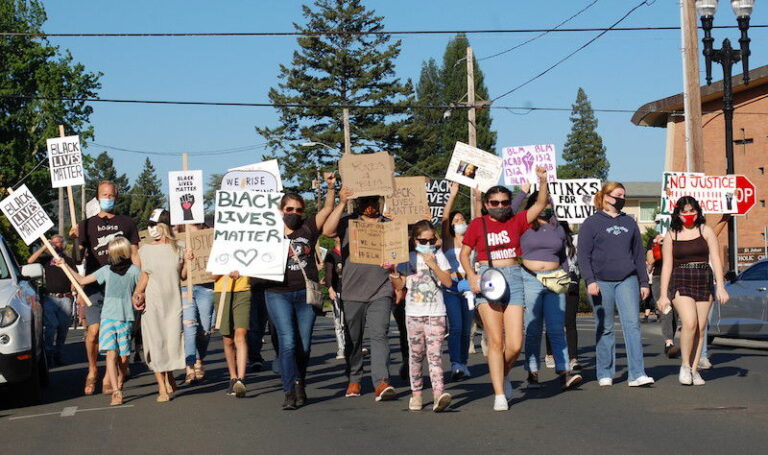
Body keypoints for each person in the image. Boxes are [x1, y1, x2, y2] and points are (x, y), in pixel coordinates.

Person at [460, 166, 550, 411]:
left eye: (504, 201)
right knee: (496, 341)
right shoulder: (478, 224)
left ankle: (503, 374)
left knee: (515, 344)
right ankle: (499, 394)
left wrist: (543, 181)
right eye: (494, 202)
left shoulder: (517, 220)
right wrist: (470, 275)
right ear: (487, 204)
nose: (499, 205)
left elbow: (540, 204)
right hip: (487, 277)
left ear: (510, 203)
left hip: (514, 277)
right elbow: (465, 253)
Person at [265, 174, 335, 410]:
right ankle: (288, 391)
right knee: (288, 342)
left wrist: (331, 187)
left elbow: (327, 208)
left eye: (298, 209)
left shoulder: (307, 228)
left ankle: (299, 382)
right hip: (277, 293)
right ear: (281, 209)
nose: (294, 213)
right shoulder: (266, 232)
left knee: (304, 345)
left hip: (305, 294)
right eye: (289, 208)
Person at [323, 189, 397, 402]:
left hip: (381, 289)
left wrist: (393, 267)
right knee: (353, 339)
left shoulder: (388, 224)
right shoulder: (348, 222)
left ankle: (381, 382)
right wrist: (341, 201)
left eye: (374, 200)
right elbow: (327, 231)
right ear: (358, 202)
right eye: (365, 201)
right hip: (352, 291)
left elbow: (397, 253)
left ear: (380, 201)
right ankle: (354, 377)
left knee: (380, 334)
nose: (370, 205)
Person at [578, 182, 654, 388]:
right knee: (605, 327)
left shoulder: (629, 222)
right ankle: (605, 372)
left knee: (632, 325)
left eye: (624, 195)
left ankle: (637, 373)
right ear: (606, 196)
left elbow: (638, 255)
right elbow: (583, 255)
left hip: (627, 280)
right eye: (619, 194)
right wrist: (590, 280)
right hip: (601, 282)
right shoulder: (591, 223)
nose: (622, 198)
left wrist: (644, 282)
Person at [69, 180, 140, 395]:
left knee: (119, 332)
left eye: (111, 195)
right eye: (104, 195)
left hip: (120, 285)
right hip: (95, 283)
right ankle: (92, 369)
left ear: (116, 197)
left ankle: (112, 374)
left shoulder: (127, 223)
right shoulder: (86, 224)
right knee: (93, 331)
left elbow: (135, 255)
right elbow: (78, 257)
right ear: (97, 196)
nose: (107, 198)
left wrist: (139, 287)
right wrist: (74, 239)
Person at [56, 236, 139, 406]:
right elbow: (82, 280)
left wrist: (140, 298)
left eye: (110, 249)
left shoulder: (134, 271)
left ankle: (121, 379)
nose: (107, 252)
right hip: (108, 317)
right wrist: (64, 265)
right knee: (110, 353)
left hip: (125, 318)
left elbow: (143, 288)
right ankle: (116, 391)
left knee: (123, 357)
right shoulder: (106, 270)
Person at [657, 197, 729, 386]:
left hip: (703, 277)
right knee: (689, 322)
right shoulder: (672, 234)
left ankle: (695, 369)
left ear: (697, 211)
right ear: (677, 214)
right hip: (680, 278)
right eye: (684, 212)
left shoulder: (705, 231)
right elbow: (666, 266)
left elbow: (716, 259)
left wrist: (720, 286)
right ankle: (685, 365)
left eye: (692, 211)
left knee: (701, 327)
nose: (688, 215)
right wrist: (664, 294)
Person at [519, 194, 582, 390]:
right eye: (543, 202)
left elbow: (563, 255)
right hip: (530, 278)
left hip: (556, 278)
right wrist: (523, 192)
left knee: (557, 327)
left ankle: (564, 372)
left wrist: (565, 275)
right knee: (533, 328)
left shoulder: (558, 227)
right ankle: (532, 372)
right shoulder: (524, 223)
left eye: (549, 202)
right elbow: (512, 210)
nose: (547, 206)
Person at [389, 220, 453, 412]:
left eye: (430, 240)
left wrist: (433, 265)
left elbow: (448, 282)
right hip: (414, 313)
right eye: (422, 241)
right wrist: (392, 272)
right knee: (416, 356)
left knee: (435, 356)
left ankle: (438, 394)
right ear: (414, 240)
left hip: (436, 313)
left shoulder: (439, 256)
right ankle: (416, 394)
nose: (427, 244)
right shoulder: (407, 258)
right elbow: (401, 286)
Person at [132, 209, 186, 402]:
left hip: (173, 303)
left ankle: (169, 375)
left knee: (170, 342)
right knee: (156, 343)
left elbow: (183, 276)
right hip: (153, 303)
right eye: (149, 225)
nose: (151, 229)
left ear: (164, 226)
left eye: (154, 225)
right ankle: (161, 387)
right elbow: (144, 276)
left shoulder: (180, 247)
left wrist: (188, 261)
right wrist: (137, 294)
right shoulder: (145, 250)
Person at [176, 223, 216, 384]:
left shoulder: (209, 243)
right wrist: (186, 262)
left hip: (206, 288)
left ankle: (200, 357)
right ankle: (191, 365)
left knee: (205, 329)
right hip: (186, 288)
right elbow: (182, 276)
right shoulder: (179, 248)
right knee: (189, 326)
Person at [27, 234, 76, 366]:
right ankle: (48, 355)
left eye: (58, 243)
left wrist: (73, 290)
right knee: (51, 326)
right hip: (50, 298)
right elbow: (30, 261)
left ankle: (58, 354)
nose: (55, 245)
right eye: (52, 243)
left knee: (63, 328)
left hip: (66, 298)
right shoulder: (47, 260)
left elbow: (75, 277)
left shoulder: (68, 260)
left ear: (63, 244)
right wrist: (43, 247)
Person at [212, 271, 250, 398]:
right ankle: (233, 377)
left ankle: (241, 379)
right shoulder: (216, 250)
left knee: (240, 335)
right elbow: (212, 276)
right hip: (222, 292)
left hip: (244, 291)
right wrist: (226, 270)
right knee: (228, 339)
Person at [323, 236, 346, 360]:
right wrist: (330, 289)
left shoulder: (350, 253)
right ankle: (341, 348)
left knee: (351, 321)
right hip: (337, 291)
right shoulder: (331, 255)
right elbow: (328, 273)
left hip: (351, 292)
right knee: (339, 322)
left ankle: (354, 346)